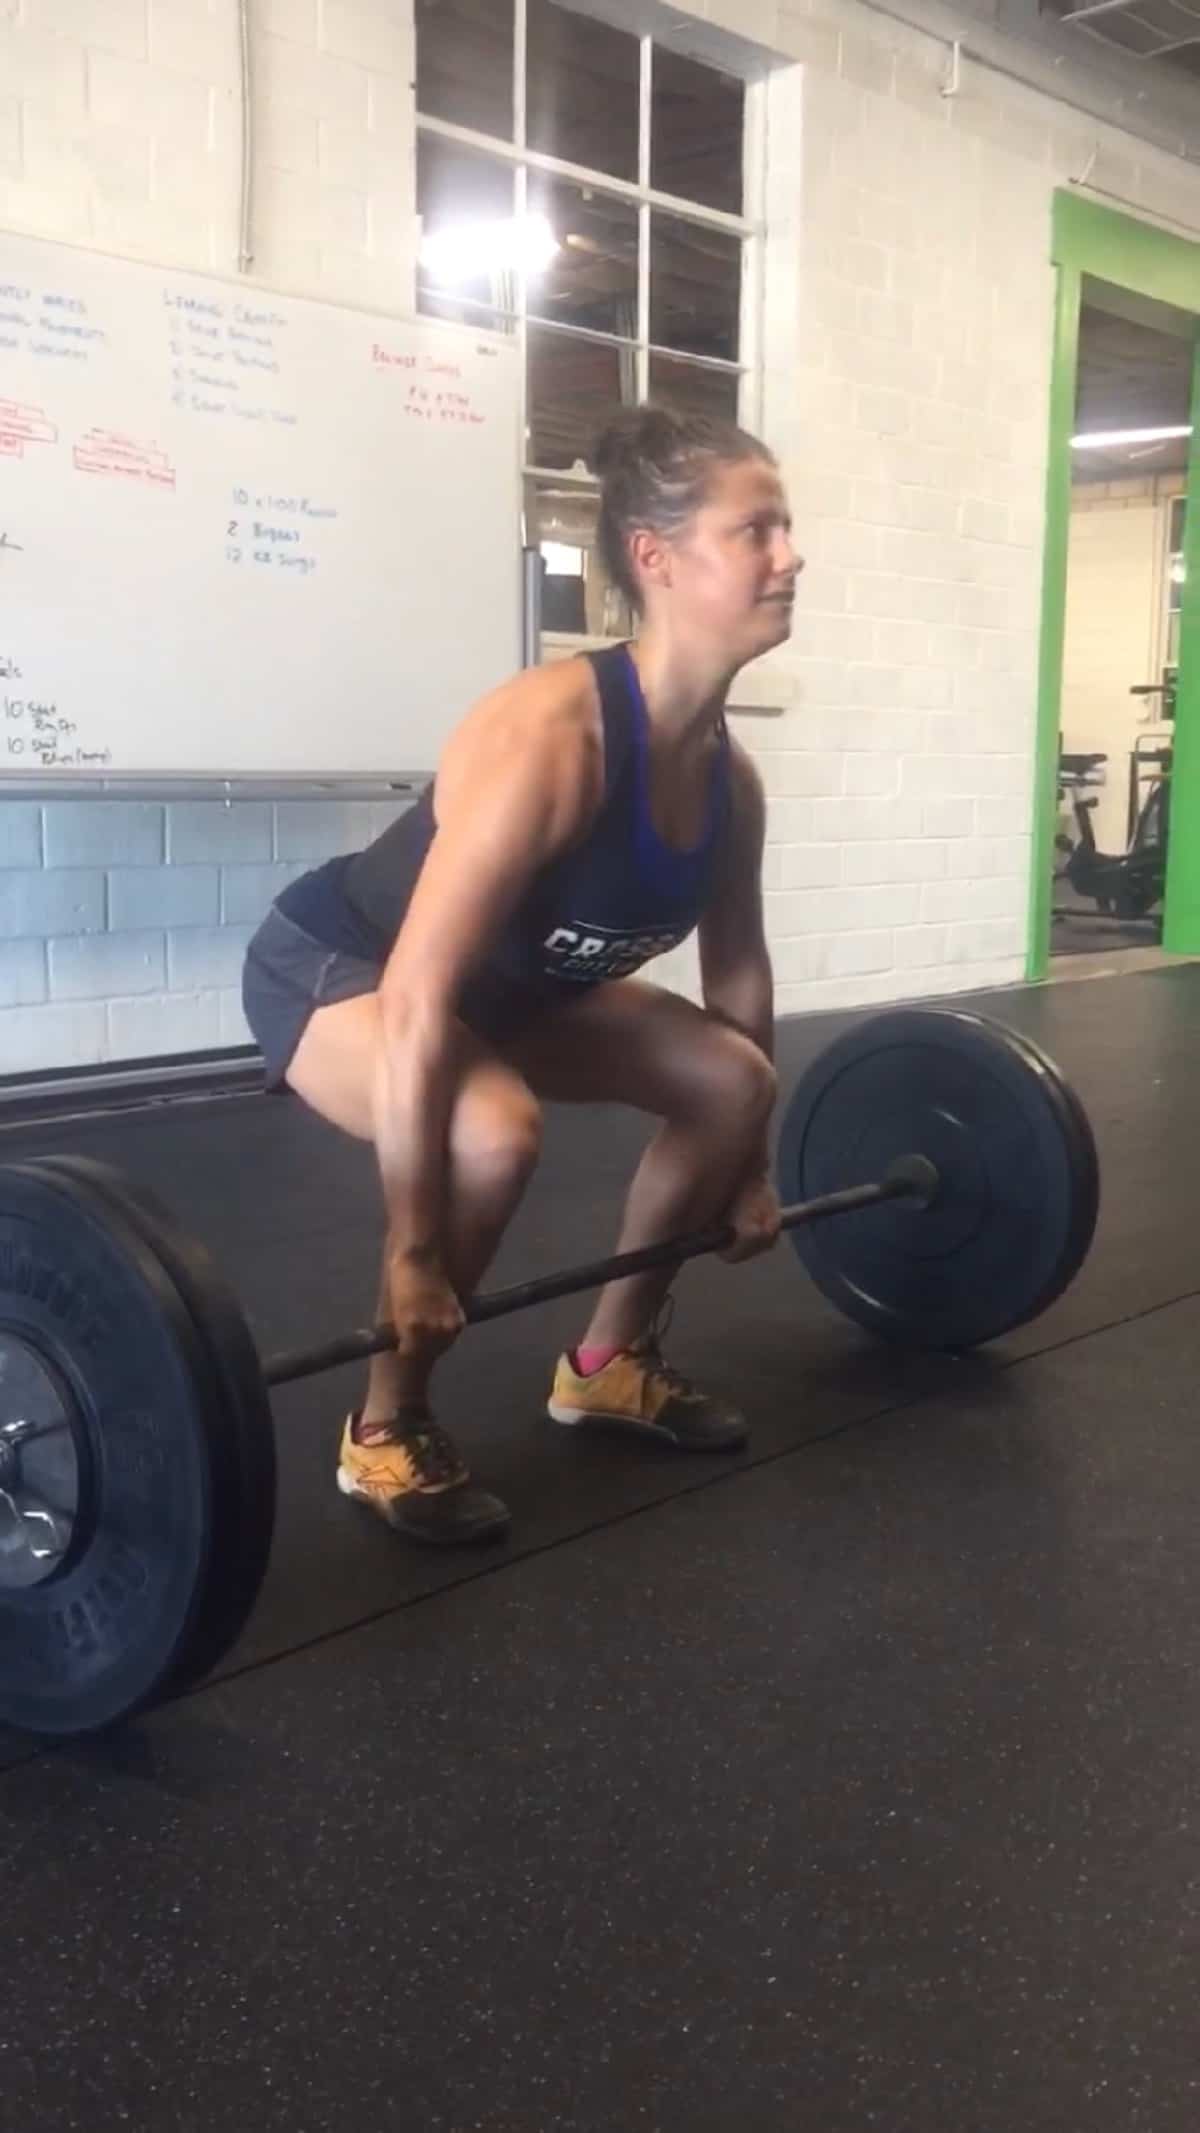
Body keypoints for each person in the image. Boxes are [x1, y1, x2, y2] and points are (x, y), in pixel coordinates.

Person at [242, 403, 802, 1546]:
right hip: (343, 966)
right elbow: (414, 995)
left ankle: (607, 1362)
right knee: (492, 1132)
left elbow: (739, 985)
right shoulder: (550, 738)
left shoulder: (727, 781)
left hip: (511, 991)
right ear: (656, 557)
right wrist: (410, 1252)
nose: (791, 557)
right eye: (758, 531)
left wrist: (747, 1167)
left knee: (733, 1080)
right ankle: (384, 1422)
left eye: (786, 529)